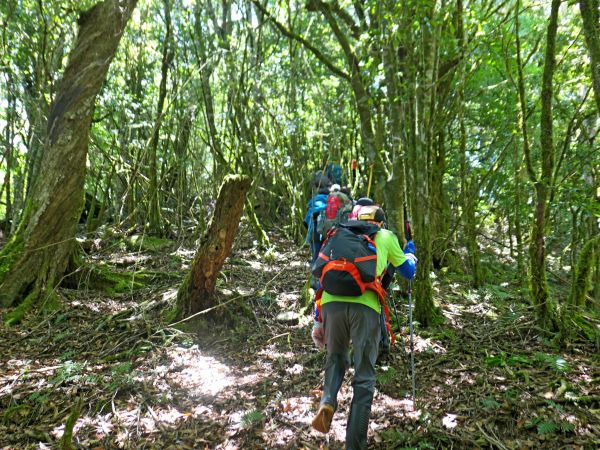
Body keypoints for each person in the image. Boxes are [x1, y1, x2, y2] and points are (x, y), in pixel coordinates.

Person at [310, 205, 417, 450]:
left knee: (336, 358)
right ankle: (354, 445)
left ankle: (327, 400)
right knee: (364, 375)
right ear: (381, 222)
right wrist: (410, 252)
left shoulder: (341, 233)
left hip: (330, 302)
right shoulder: (386, 237)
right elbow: (408, 272)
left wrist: (317, 318)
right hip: (365, 308)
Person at [303, 172, 331, 263]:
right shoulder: (333, 201)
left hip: (314, 232)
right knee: (326, 256)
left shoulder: (313, 201)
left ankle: (315, 274)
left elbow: (306, 221)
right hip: (329, 233)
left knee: (316, 256)